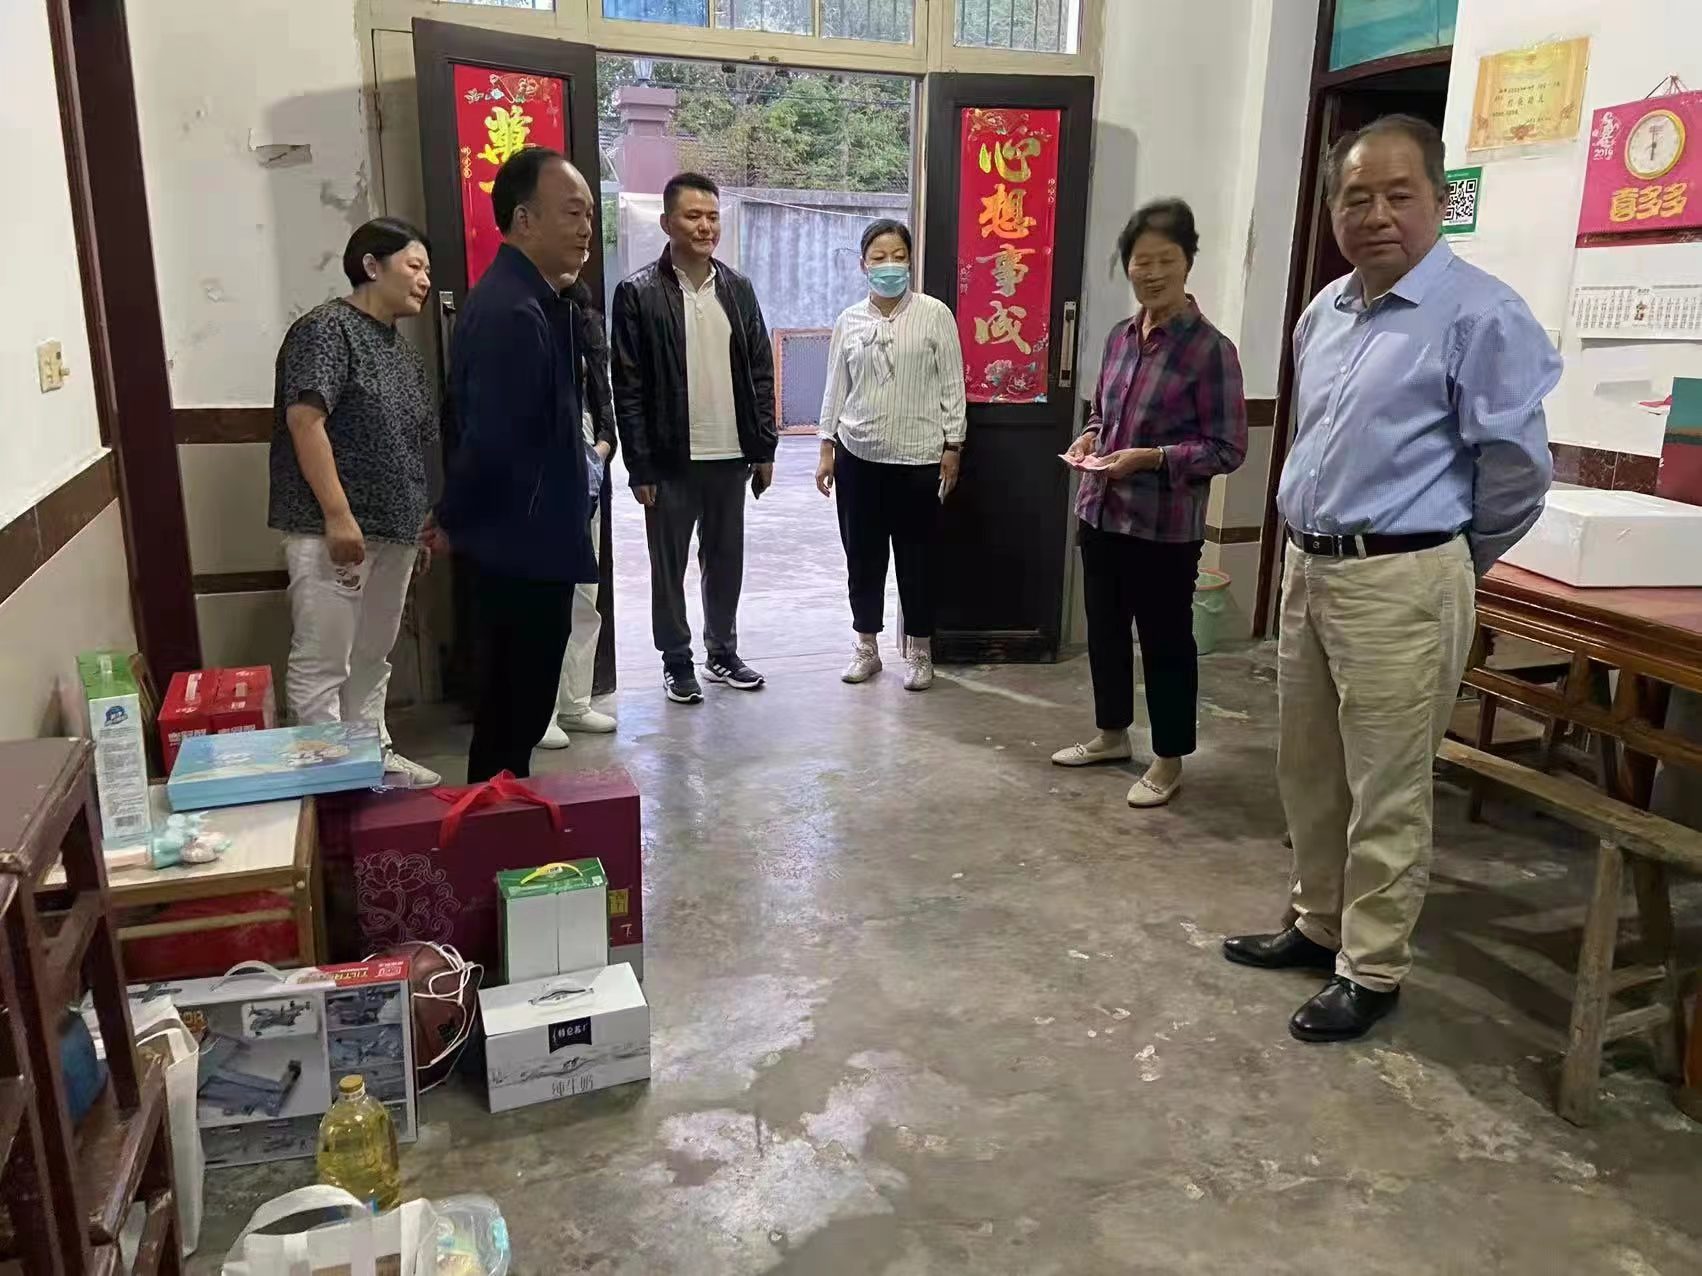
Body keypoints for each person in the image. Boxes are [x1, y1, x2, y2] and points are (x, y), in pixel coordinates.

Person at [1224, 115, 1560, 1043]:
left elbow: (1517, 472)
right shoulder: (1324, 312)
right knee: (1309, 769)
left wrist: (1446, 559)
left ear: (1441, 201)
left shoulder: (1481, 315)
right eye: (1355, 196)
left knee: (1388, 784)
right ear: (1333, 209)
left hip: (1404, 577)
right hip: (1310, 567)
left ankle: (1371, 968)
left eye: (1398, 195)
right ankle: (1317, 923)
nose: (1375, 214)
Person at [1051, 199, 1247, 808]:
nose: (1152, 272)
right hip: (1101, 511)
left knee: (1166, 643)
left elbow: (1227, 448)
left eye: (1166, 260)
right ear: (1127, 266)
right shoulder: (1119, 337)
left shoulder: (1211, 350)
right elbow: (1102, 413)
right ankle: (1111, 734)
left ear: (1188, 262)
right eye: (1141, 261)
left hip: (1165, 529)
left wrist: (1155, 458)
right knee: (1106, 632)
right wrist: (1090, 437)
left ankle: (1168, 759)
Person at [426, 148, 598, 782]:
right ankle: (495, 825)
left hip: (528, 540)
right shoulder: (511, 311)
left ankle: (503, 817)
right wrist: (454, 517)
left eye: (589, 214)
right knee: (511, 713)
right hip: (521, 548)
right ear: (524, 220)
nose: (586, 229)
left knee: (516, 714)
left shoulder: (538, 301)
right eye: (572, 213)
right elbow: (490, 440)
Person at [269, 217, 442, 789]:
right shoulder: (325, 330)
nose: (424, 280)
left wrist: (419, 523)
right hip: (334, 531)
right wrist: (338, 515)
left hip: (394, 531)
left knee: (372, 655)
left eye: (427, 270)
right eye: (414, 266)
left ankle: (372, 756)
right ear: (371, 265)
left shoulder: (401, 351)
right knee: (324, 659)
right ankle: (328, 780)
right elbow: (305, 420)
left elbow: (413, 442)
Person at [611, 172, 777, 705]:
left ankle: (722, 652)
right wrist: (639, 465)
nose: (705, 226)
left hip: (730, 454)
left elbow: (760, 371)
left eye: (712, 216)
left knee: (725, 561)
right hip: (669, 458)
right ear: (667, 223)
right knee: (669, 567)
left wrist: (763, 447)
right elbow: (628, 385)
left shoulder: (738, 288)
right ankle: (676, 659)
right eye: (692, 216)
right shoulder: (637, 292)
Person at [815, 219, 966, 692]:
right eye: (878, 257)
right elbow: (835, 386)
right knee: (863, 558)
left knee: (918, 559)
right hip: (858, 457)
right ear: (863, 265)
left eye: (898, 256)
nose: (889, 265)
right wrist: (826, 447)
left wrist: (953, 445)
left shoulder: (935, 314)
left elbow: (952, 383)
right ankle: (867, 646)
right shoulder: (849, 321)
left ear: (910, 261)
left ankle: (920, 651)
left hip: (919, 459)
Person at [539, 277, 619, 749]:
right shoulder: (525, 320)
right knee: (548, 595)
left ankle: (575, 700)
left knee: (586, 591)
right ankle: (541, 710)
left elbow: (603, 398)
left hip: (588, 459)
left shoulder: (587, 325)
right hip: (543, 467)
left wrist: (603, 447)